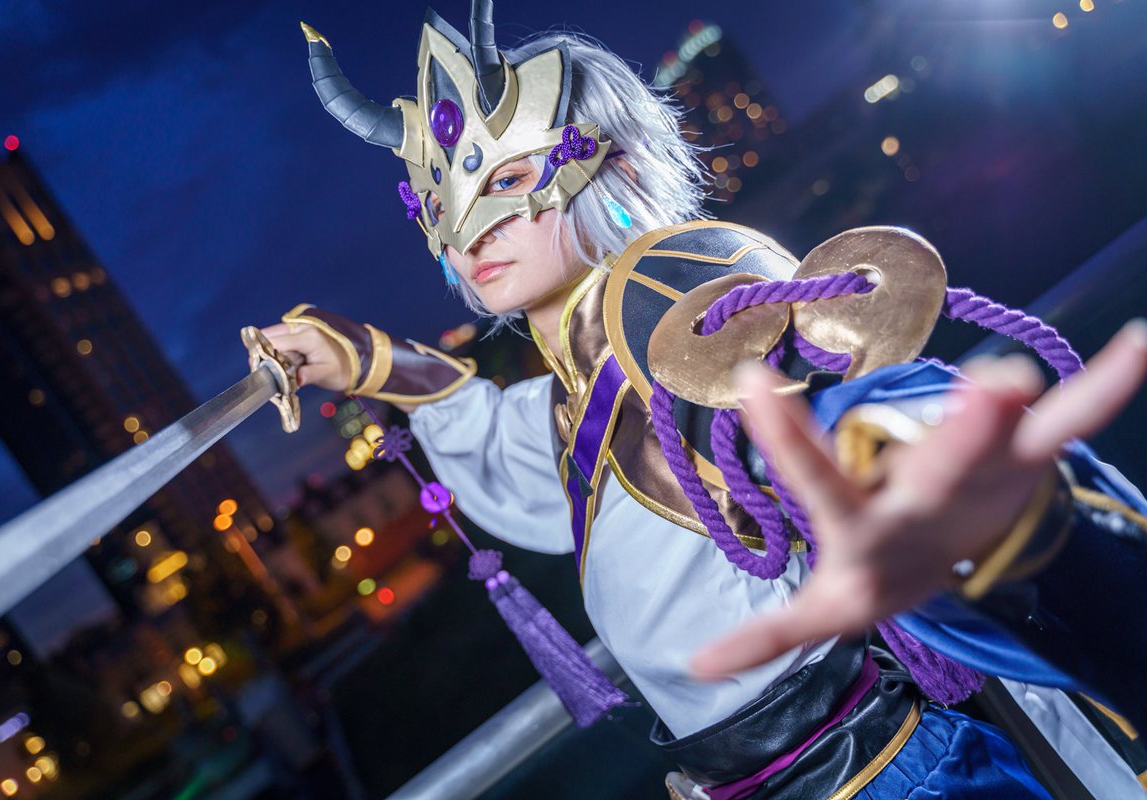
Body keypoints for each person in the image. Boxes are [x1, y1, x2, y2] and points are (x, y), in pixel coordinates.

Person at [259, 4, 1147, 797]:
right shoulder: (576, 388)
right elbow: (513, 447)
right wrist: (361, 359)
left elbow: (827, 404)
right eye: (440, 204)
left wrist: (910, 463)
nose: (471, 234)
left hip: (889, 771)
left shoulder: (672, 299)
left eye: (505, 182)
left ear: (600, 158)